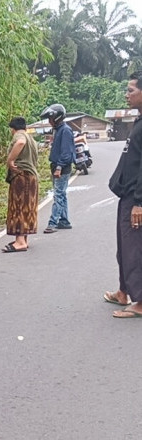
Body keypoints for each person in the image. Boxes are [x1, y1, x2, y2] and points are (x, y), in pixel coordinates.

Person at [103, 71, 142, 318]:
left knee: (135, 249)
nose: (126, 95)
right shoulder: (138, 122)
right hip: (126, 196)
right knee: (123, 247)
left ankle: (140, 302)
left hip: (136, 199)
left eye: (131, 90)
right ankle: (123, 291)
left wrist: (139, 202)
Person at [2, 117, 39, 252]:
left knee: (18, 207)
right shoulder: (31, 138)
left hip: (22, 177)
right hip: (32, 177)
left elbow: (20, 142)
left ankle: (20, 242)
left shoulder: (20, 135)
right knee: (27, 208)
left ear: (13, 129)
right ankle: (23, 239)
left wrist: (10, 160)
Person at [40, 103, 75, 233]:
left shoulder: (65, 130)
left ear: (57, 117)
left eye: (50, 118)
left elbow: (66, 153)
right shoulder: (58, 130)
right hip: (57, 166)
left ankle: (53, 223)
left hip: (62, 167)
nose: (49, 121)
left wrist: (59, 167)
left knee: (58, 195)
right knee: (62, 195)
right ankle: (64, 221)